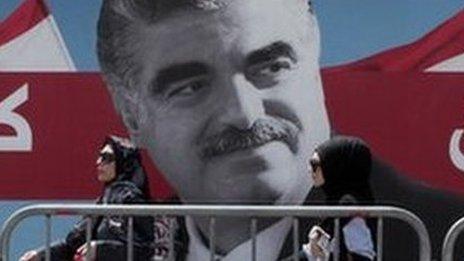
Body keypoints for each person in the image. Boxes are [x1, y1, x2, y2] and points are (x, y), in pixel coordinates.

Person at [96, 0, 464, 260]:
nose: (244, 115)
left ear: (314, 54)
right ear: (130, 114)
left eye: (270, 67)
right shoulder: (133, 243)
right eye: (190, 87)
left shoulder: (444, 236)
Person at [19, 136, 155, 261]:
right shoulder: (104, 200)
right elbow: (72, 244)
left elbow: (144, 251)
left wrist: (100, 249)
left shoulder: (132, 199)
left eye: (106, 157)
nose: (98, 162)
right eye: (99, 156)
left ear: (123, 162)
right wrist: (39, 255)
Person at [303, 136, 376, 261]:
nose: (310, 170)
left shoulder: (351, 211)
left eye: (315, 165)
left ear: (334, 166)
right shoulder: (337, 205)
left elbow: (362, 257)